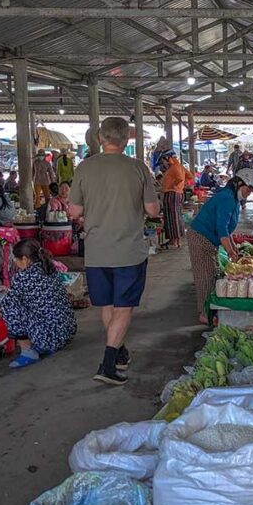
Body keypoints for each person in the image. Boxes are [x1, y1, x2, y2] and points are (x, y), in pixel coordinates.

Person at [69, 116, 160, 386]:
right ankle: (108, 364)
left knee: (107, 305)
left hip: (96, 251)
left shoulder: (84, 167)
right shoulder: (138, 168)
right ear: (127, 139)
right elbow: (153, 210)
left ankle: (119, 351)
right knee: (124, 308)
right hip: (128, 252)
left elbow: (74, 211)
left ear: (100, 138)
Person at [187, 168, 253, 325]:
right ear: (238, 183)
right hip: (200, 237)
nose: (248, 194)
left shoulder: (233, 200)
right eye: (248, 190)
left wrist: (234, 250)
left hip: (208, 238)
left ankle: (210, 311)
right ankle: (205, 314)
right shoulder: (226, 198)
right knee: (206, 276)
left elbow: (228, 230)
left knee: (213, 274)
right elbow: (222, 229)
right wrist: (230, 252)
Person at [0, 239, 77, 368]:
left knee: (8, 305)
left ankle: (27, 352)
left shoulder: (22, 277)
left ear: (25, 259)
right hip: (66, 333)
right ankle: (41, 343)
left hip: (50, 339)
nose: (15, 262)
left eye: (16, 259)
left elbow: (10, 301)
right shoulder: (49, 269)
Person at [159, 149, 188, 248]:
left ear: (168, 158)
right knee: (176, 217)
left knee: (172, 217)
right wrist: (181, 186)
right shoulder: (179, 166)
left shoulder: (174, 167)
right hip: (177, 193)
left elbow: (179, 179)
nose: (163, 162)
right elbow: (189, 176)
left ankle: (174, 241)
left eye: (164, 160)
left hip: (172, 194)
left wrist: (173, 186)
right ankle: (176, 240)